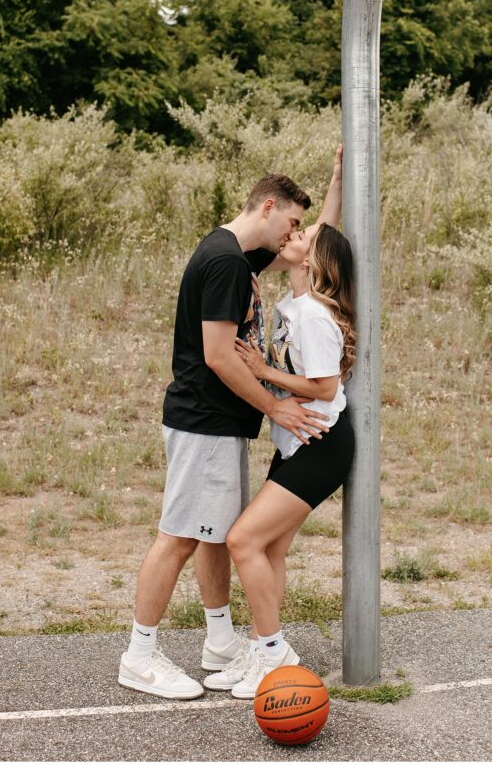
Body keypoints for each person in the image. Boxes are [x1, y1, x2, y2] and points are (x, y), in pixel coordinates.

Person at [118, 150, 343, 700]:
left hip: (219, 425)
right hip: (204, 422)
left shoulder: (240, 257)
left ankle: (220, 640)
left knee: (213, 535)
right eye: (290, 221)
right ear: (268, 207)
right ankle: (139, 655)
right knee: (177, 537)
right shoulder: (224, 262)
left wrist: (337, 179)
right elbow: (220, 356)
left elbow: (320, 238)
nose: (296, 232)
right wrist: (276, 406)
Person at [202, 221, 356, 699]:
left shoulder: (312, 315)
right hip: (296, 442)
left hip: (321, 442)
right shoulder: (295, 305)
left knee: (242, 540)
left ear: (311, 260)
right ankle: (258, 648)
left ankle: (273, 651)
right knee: (268, 552)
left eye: (301, 237)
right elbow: (317, 236)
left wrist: (264, 371)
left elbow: (326, 387)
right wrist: (335, 181)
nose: (291, 236)